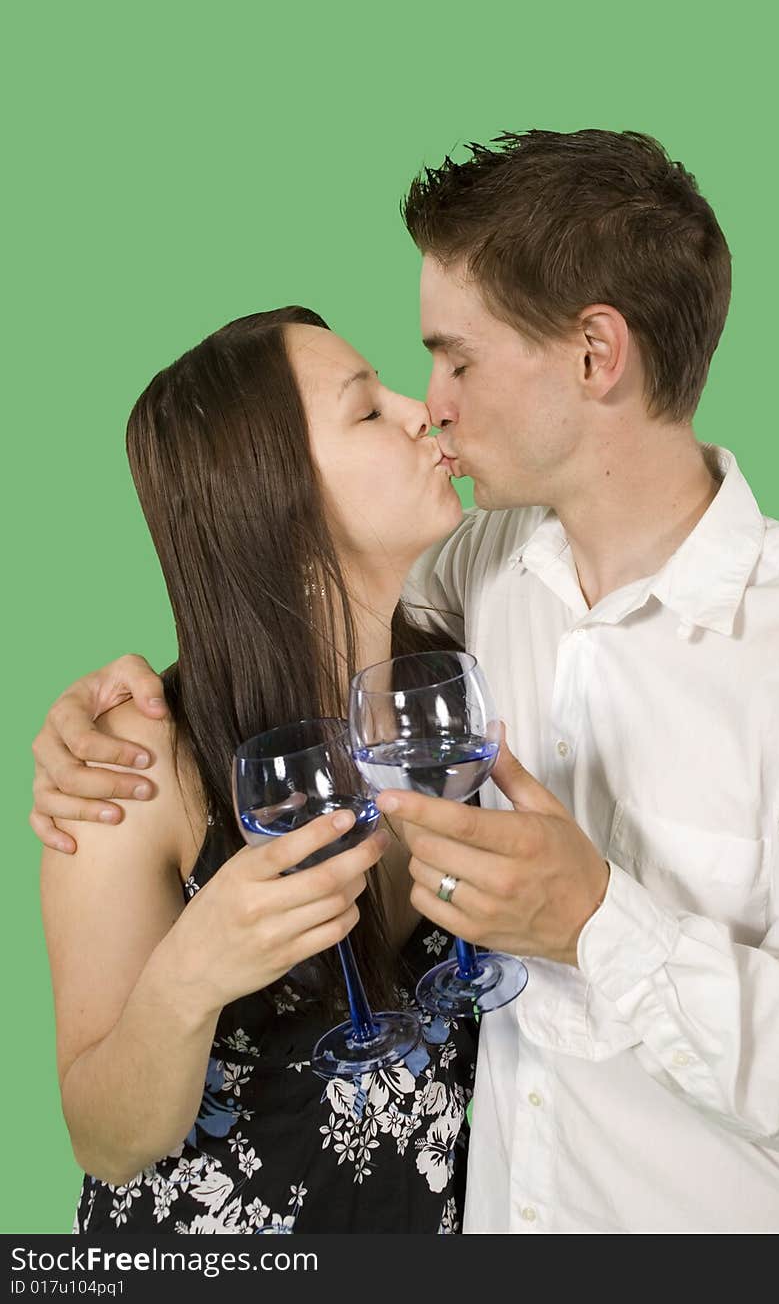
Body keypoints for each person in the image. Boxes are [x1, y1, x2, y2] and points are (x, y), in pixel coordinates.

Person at [32, 131, 779, 1232]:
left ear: (594, 355)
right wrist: (96, 711)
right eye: (385, 393)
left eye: (455, 360)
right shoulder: (477, 580)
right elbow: (269, 575)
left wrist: (595, 922)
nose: (429, 404)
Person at [37, 305, 477, 1234]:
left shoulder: (458, 687)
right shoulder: (138, 762)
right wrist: (192, 972)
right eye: (366, 411)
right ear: (273, 497)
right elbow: (106, 1143)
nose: (418, 411)